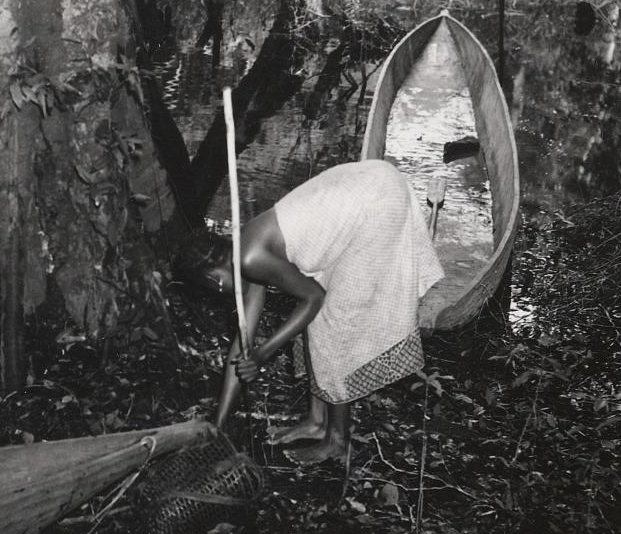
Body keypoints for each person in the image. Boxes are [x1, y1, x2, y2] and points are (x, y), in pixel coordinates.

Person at [176, 158, 443, 465]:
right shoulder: (244, 256)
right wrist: (218, 425)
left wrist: (262, 355)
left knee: (332, 325)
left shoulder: (250, 258)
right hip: (368, 182)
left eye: (211, 287)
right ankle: (317, 422)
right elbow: (243, 344)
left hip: (377, 201)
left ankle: (337, 439)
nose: (217, 293)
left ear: (211, 277)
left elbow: (313, 298)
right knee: (316, 324)